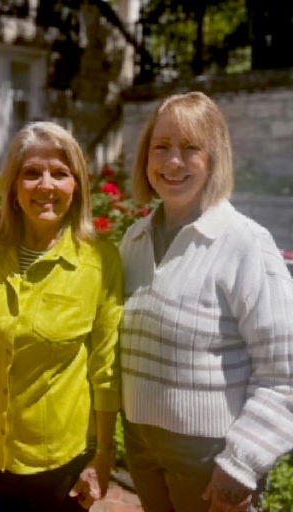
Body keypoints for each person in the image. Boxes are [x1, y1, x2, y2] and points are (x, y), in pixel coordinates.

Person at [120, 91, 293, 512]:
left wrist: (241, 464)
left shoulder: (246, 244)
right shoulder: (134, 240)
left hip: (212, 461)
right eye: (161, 147)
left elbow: (284, 372)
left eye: (190, 148)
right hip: (142, 452)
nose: (172, 162)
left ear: (214, 158)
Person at [0, 122, 123, 511]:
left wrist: (103, 455)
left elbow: (106, 367)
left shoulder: (99, 260)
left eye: (60, 173)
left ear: (77, 185)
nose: (46, 185)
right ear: (13, 184)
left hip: (62, 463)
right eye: (31, 173)